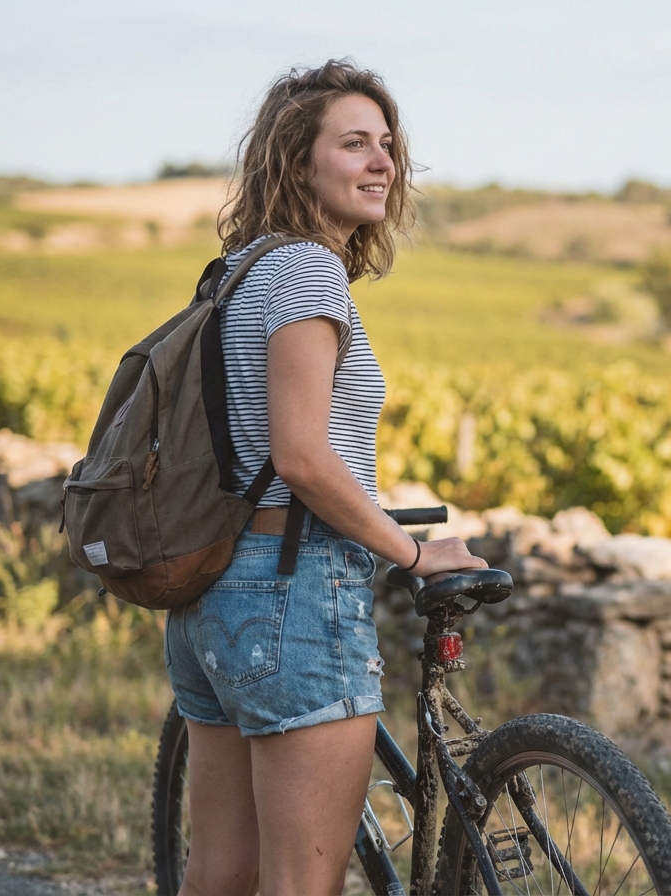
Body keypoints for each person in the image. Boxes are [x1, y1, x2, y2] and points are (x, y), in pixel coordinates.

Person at [163, 60, 487, 896]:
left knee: (221, 872)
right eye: (353, 143)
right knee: (303, 884)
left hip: (214, 591)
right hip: (295, 592)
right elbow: (303, 457)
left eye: (387, 144)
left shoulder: (241, 271)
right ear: (296, 161)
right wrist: (412, 556)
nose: (382, 161)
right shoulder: (308, 272)